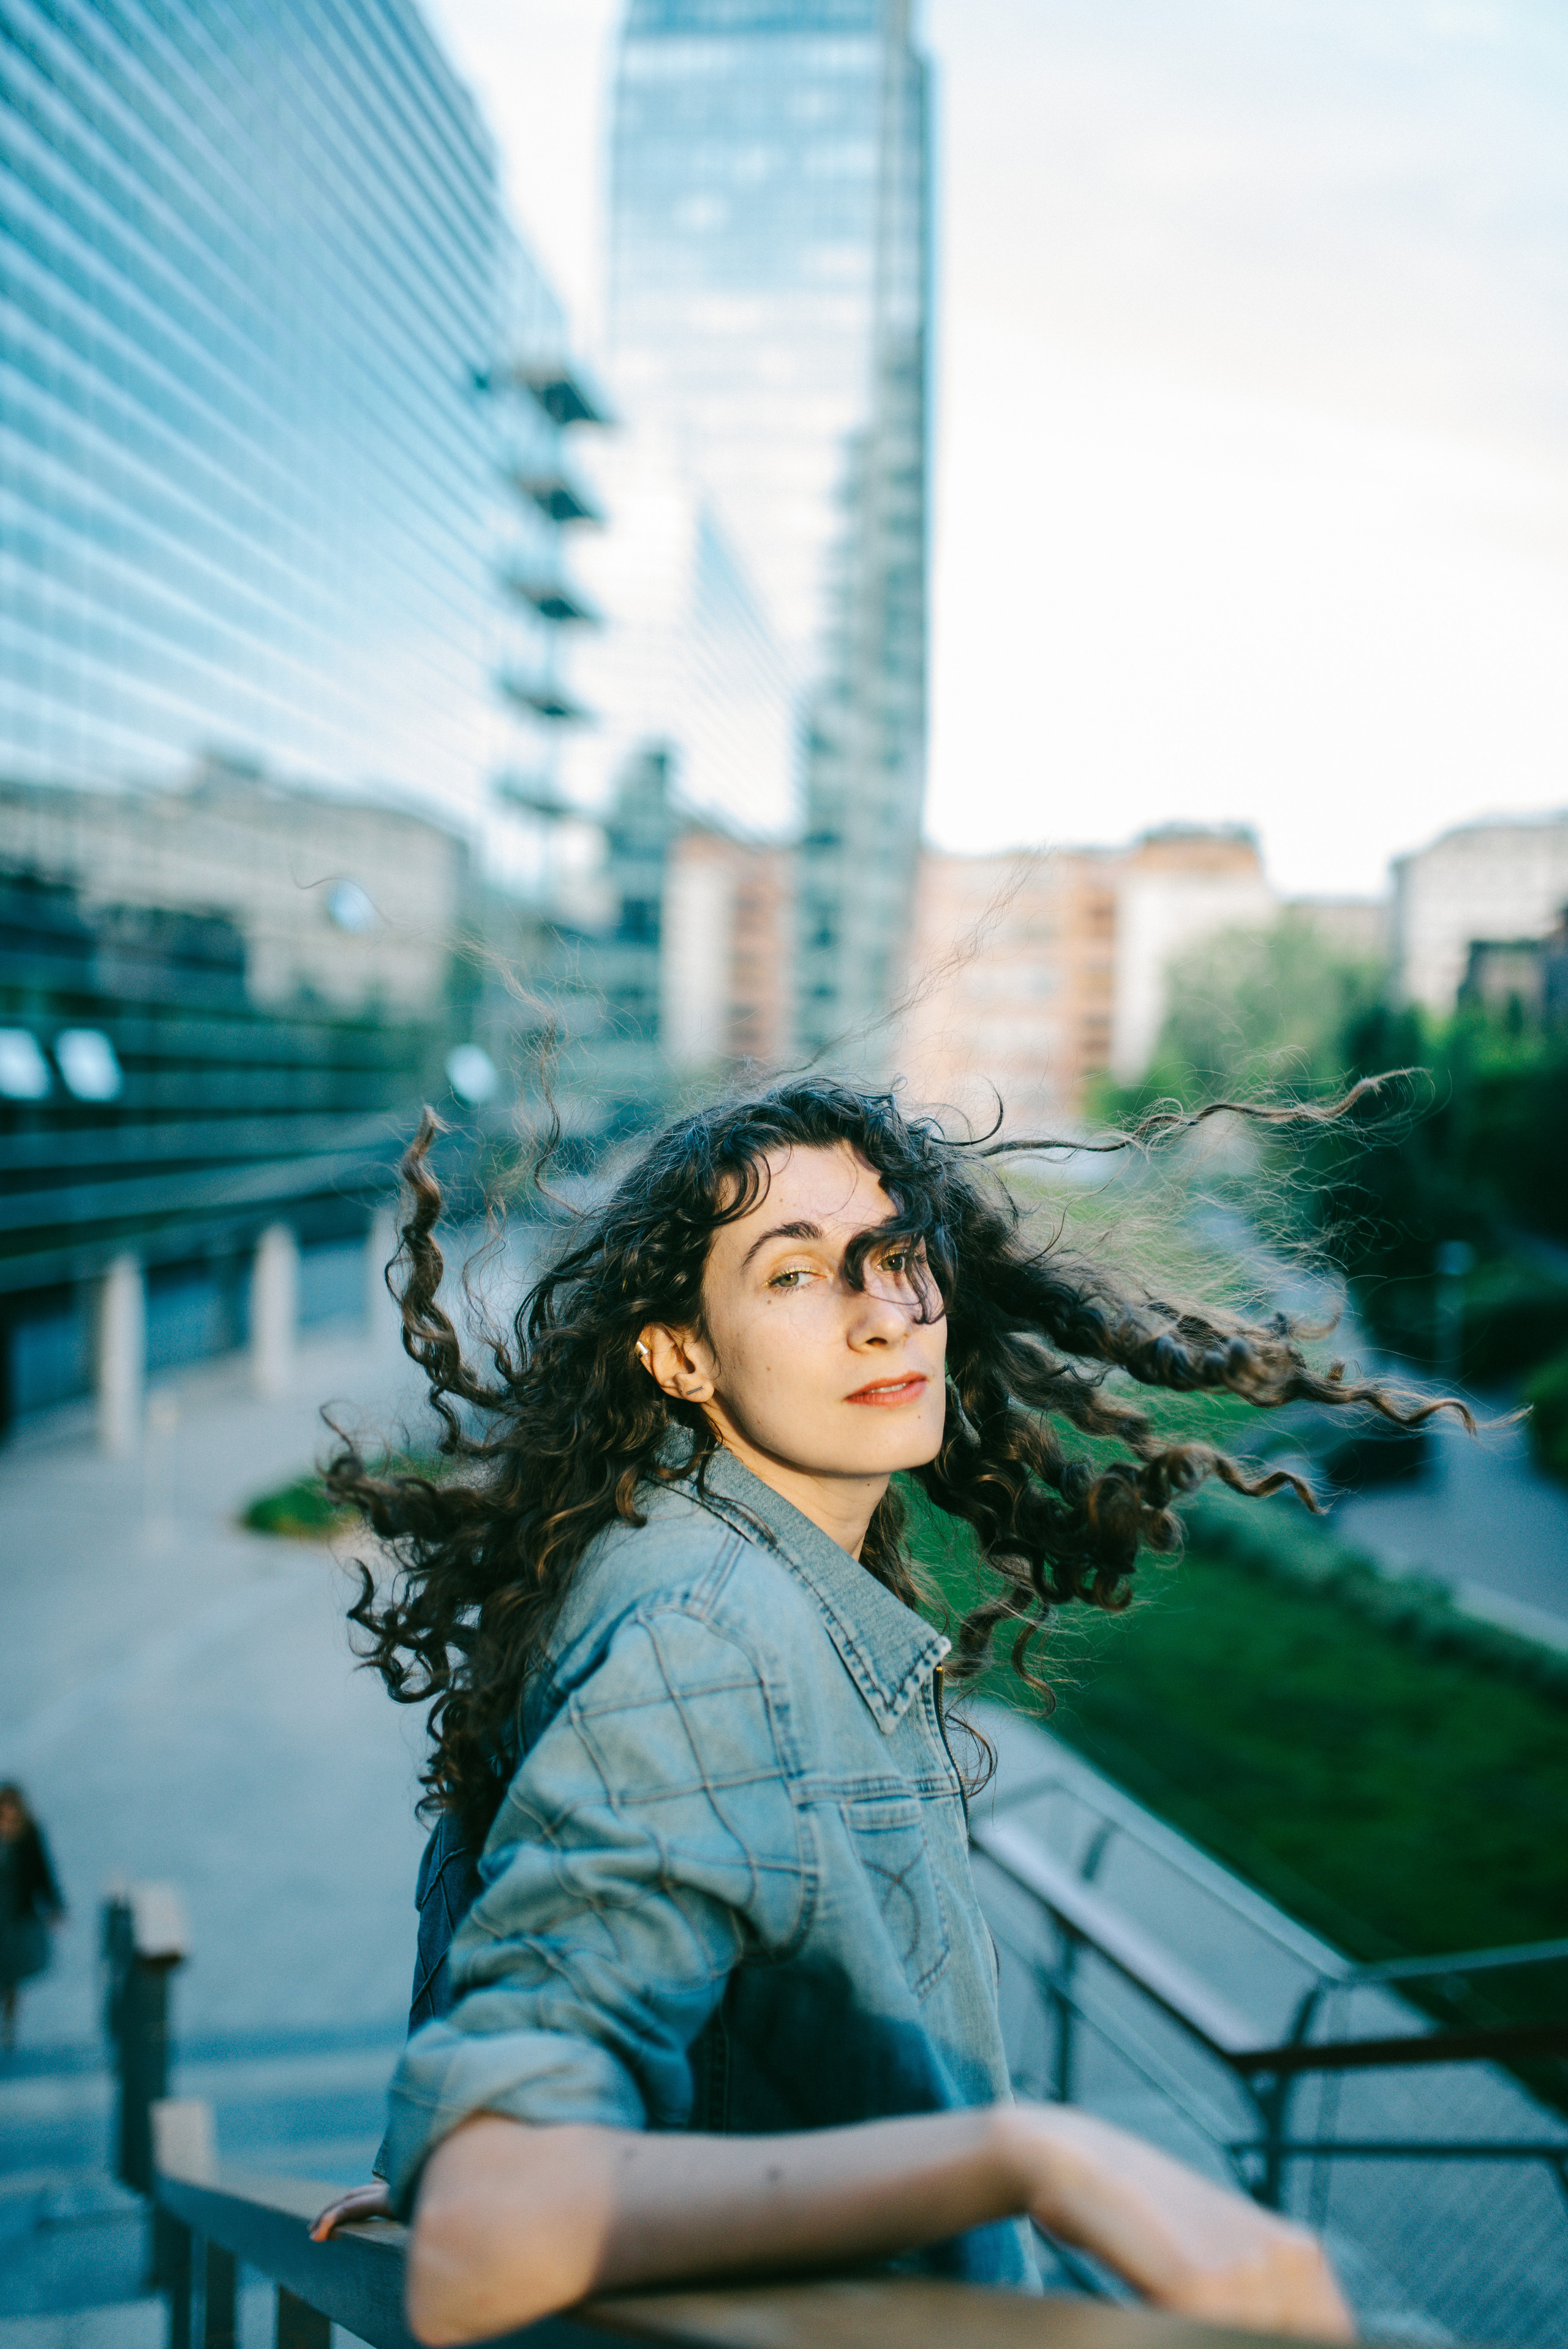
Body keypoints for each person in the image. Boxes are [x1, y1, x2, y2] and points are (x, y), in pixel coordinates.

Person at [314, 1078, 1451, 2345]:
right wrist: (1029, 2160)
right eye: (794, 1275)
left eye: (897, 1258)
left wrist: (499, 2152)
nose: (884, 1317)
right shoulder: (710, 1635)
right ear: (676, 1351)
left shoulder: (690, 1565)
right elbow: (493, 2226)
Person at [0, 1783, 66, 2051]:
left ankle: (8, 2028)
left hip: (16, 1914)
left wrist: (54, 1905)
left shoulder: (29, 1835)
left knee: (11, 1975)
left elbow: (42, 1870)